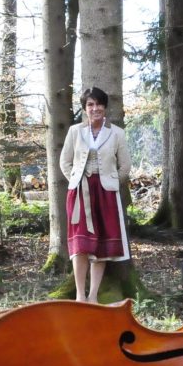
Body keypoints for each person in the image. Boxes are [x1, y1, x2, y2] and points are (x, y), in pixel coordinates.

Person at [60, 87, 133, 303]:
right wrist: (75, 180)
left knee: (101, 244)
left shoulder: (117, 133)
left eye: (99, 104)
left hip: (106, 194)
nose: (95, 108)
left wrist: (109, 181)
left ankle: (93, 295)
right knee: (81, 245)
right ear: (84, 109)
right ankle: (80, 295)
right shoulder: (75, 131)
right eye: (90, 105)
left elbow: (125, 165)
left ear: (105, 107)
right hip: (80, 193)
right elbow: (65, 161)